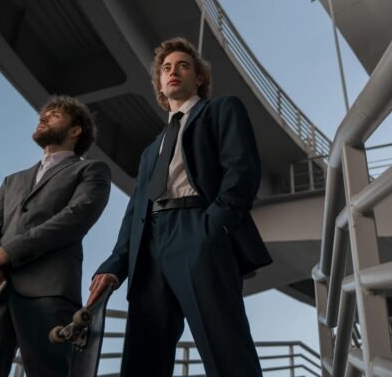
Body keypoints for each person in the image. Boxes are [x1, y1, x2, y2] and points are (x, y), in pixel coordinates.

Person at [89, 36, 272, 377]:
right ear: (160, 82)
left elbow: (242, 171)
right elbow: (135, 212)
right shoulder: (150, 150)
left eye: (183, 66)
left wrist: (212, 228)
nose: (173, 72)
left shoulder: (221, 110)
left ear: (199, 78)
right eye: (166, 68)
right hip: (149, 246)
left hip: (198, 229)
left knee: (224, 347)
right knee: (143, 358)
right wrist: (115, 262)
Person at [0, 95, 111, 377]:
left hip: (48, 290)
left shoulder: (91, 170)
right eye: (42, 114)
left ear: (75, 131)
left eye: (54, 114)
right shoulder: (13, 180)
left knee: (48, 371)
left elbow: (75, 217)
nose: (43, 117)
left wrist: (9, 251)